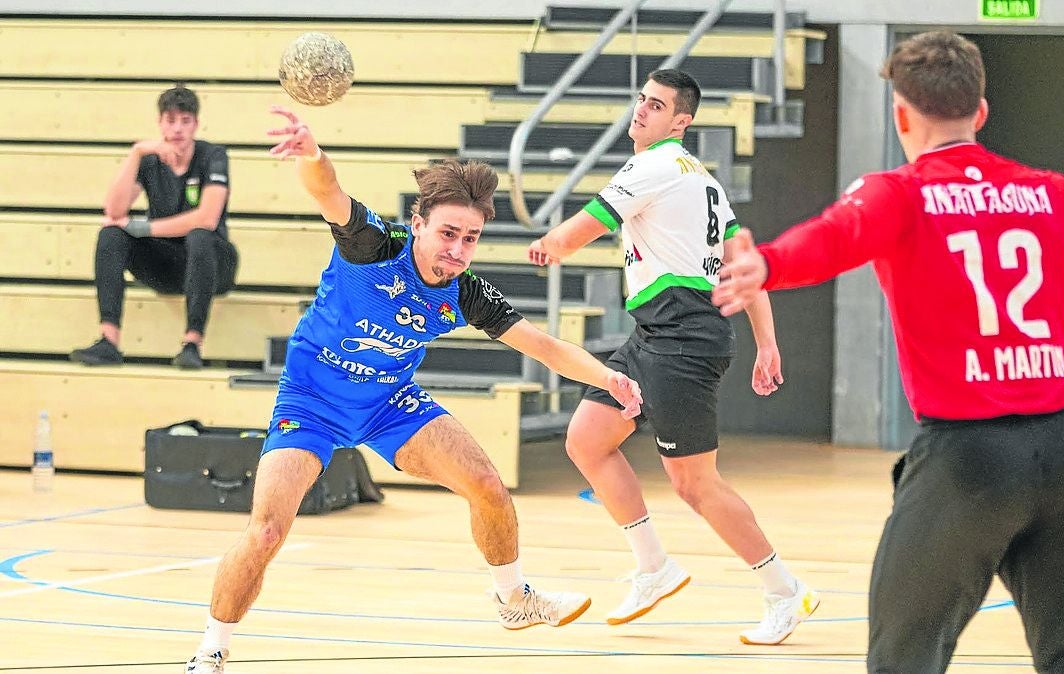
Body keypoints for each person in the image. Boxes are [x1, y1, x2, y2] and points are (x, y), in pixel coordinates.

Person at [184, 106, 644, 673]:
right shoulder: (373, 244)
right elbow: (328, 192)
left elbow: (543, 346)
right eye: (448, 233)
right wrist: (312, 155)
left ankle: (514, 599)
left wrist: (607, 377)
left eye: (470, 238)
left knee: (489, 487)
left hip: (388, 404)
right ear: (419, 222)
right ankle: (212, 647)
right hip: (312, 402)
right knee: (268, 530)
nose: (457, 249)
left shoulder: (467, 291)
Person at [712, 31, 1064, 674]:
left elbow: (837, 237)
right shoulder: (1047, 191)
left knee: (904, 652)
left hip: (969, 461)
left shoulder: (901, 192)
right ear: (980, 112)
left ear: (901, 114)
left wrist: (769, 265)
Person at [526, 69, 819, 645]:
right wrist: (766, 341)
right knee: (587, 438)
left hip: (683, 336)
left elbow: (572, 236)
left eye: (655, 105)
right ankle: (654, 567)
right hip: (657, 332)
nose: (641, 111)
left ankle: (785, 592)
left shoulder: (653, 166)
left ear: (680, 122)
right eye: (640, 99)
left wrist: (538, 243)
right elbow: (743, 260)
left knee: (694, 484)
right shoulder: (705, 180)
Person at [69, 84, 238, 370]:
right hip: (167, 265)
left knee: (199, 236)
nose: (178, 129)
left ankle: (192, 344)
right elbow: (113, 210)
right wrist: (136, 153)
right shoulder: (149, 160)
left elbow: (207, 218)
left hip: (214, 264)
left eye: (185, 121)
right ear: (160, 123)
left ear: (196, 124)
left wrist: (143, 227)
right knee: (111, 234)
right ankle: (109, 341)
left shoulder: (213, 156)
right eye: (171, 120)